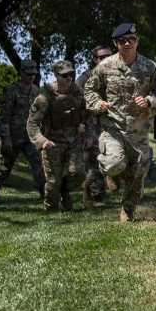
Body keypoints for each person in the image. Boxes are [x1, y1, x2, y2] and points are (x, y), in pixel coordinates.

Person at [83, 23, 156, 222]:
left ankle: (127, 210)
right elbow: (89, 90)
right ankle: (111, 172)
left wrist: (149, 101)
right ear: (116, 43)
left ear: (137, 41)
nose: (127, 43)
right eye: (122, 40)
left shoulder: (149, 66)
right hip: (113, 126)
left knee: (137, 174)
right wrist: (98, 103)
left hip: (138, 129)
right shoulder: (104, 67)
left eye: (131, 39)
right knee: (114, 163)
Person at [26, 60, 91, 212]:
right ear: (56, 75)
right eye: (64, 75)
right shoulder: (45, 96)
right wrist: (41, 141)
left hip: (73, 140)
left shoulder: (79, 93)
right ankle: (50, 209)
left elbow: (90, 116)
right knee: (53, 181)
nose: (69, 78)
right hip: (52, 141)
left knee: (79, 173)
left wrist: (88, 134)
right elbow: (32, 124)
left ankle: (64, 190)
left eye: (71, 75)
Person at [0, 59, 46, 200]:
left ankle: (45, 193)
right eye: (28, 74)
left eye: (33, 74)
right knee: (5, 166)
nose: (31, 77)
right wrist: (5, 139)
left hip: (30, 137)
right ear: (21, 73)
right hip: (12, 137)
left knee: (39, 164)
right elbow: (3, 118)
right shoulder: (12, 91)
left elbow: (39, 114)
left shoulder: (36, 91)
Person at [75, 45, 112, 206]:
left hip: (110, 124)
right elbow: (74, 101)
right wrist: (79, 123)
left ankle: (88, 190)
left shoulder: (115, 76)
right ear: (95, 59)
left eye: (108, 56)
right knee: (94, 159)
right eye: (101, 57)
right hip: (91, 124)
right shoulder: (85, 78)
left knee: (107, 159)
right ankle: (97, 197)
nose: (105, 60)